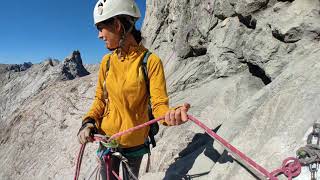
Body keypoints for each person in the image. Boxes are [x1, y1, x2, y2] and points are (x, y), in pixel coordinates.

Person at [77, 0, 190, 179]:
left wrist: (170, 115)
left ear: (117, 25)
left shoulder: (150, 62)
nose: (99, 35)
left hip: (135, 146)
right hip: (107, 141)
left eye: (101, 28)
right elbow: (100, 100)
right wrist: (88, 122)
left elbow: (159, 105)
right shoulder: (107, 62)